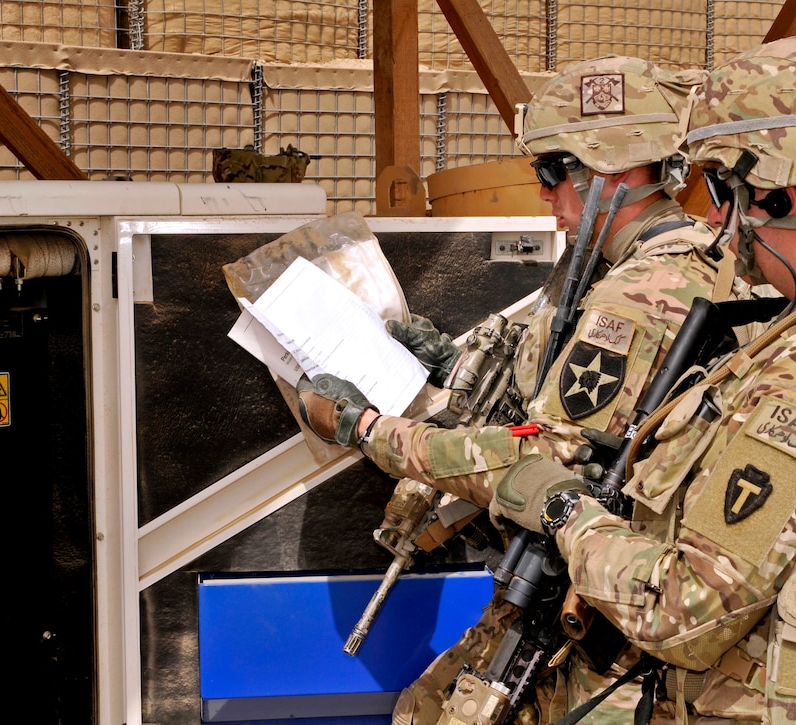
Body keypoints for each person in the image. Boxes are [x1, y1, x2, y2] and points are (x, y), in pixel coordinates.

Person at [484, 33, 796, 724]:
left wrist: (563, 509)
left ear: (780, 195)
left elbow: (683, 610)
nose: (720, 222)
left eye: (726, 187)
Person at [296, 56, 765, 724]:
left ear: (613, 174)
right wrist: (451, 371)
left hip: (609, 608)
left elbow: (536, 458)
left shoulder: (640, 292)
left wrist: (369, 429)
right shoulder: (658, 263)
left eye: (553, 171)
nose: (545, 195)